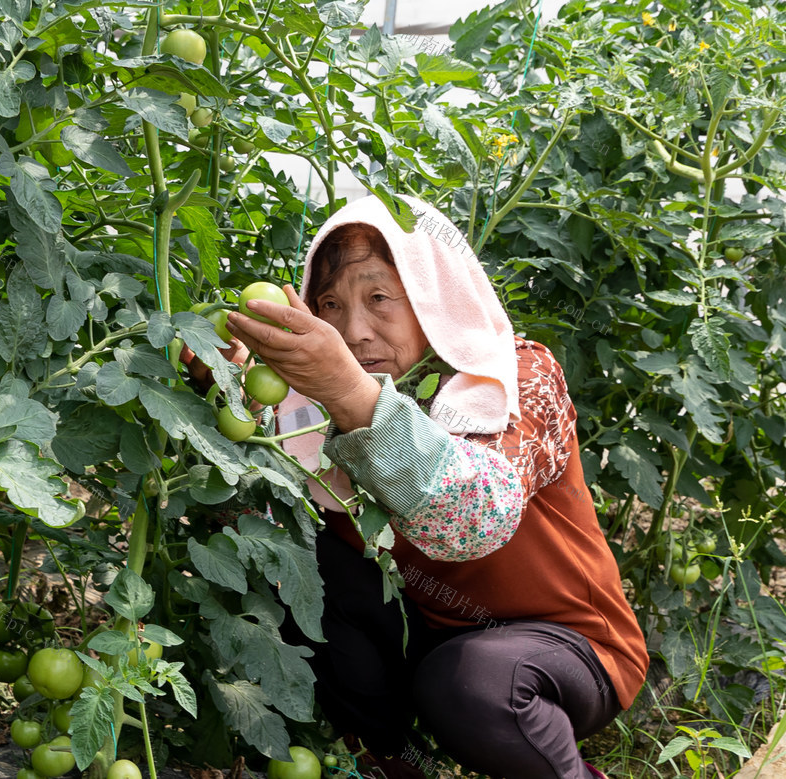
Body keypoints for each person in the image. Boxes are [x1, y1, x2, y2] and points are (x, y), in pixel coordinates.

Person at [223, 194, 649, 779]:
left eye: (378, 299)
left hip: (567, 646)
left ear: (434, 298)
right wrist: (223, 382)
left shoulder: (516, 380)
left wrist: (350, 394)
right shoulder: (314, 411)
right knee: (297, 565)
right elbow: (257, 491)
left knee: (469, 683)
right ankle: (397, 764)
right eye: (330, 306)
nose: (353, 331)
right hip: (426, 637)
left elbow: (476, 517)